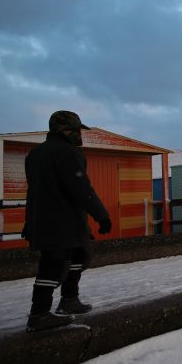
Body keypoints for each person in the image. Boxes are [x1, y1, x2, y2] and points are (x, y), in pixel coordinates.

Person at [22, 110, 112, 332]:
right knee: (53, 265)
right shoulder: (67, 153)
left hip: (43, 219)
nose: (79, 135)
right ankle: (39, 314)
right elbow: (80, 188)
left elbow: (35, 190)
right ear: (66, 131)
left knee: (78, 255)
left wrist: (30, 222)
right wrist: (101, 215)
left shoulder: (35, 154)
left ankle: (69, 299)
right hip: (62, 220)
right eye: (77, 130)